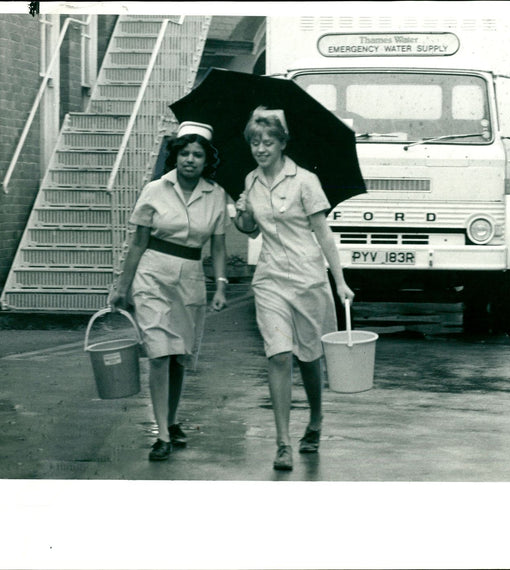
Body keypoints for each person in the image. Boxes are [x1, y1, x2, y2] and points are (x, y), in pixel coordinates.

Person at [234, 106, 355, 471]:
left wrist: (341, 281)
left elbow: (323, 234)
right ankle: (283, 442)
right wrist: (242, 217)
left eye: (267, 142)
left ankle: (316, 419)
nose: (260, 148)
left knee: (308, 358)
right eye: (255, 142)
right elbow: (252, 231)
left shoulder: (304, 181)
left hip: (307, 279)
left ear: (282, 143)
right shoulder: (250, 182)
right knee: (279, 355)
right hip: (270, 279)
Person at [108, 121, 229, 461]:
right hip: (152, 276)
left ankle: (172, 420)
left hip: (190, 279)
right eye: (184, 153)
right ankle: (161, 433)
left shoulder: (216, 194)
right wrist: (122, 287)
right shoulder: (155, 190)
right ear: (175, 156)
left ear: (207, 161)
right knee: (159, 353)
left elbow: (218, 247)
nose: (190, 160)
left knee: (179, 356)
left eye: (198, 155)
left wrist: (220, 285)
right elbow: (138, 243)